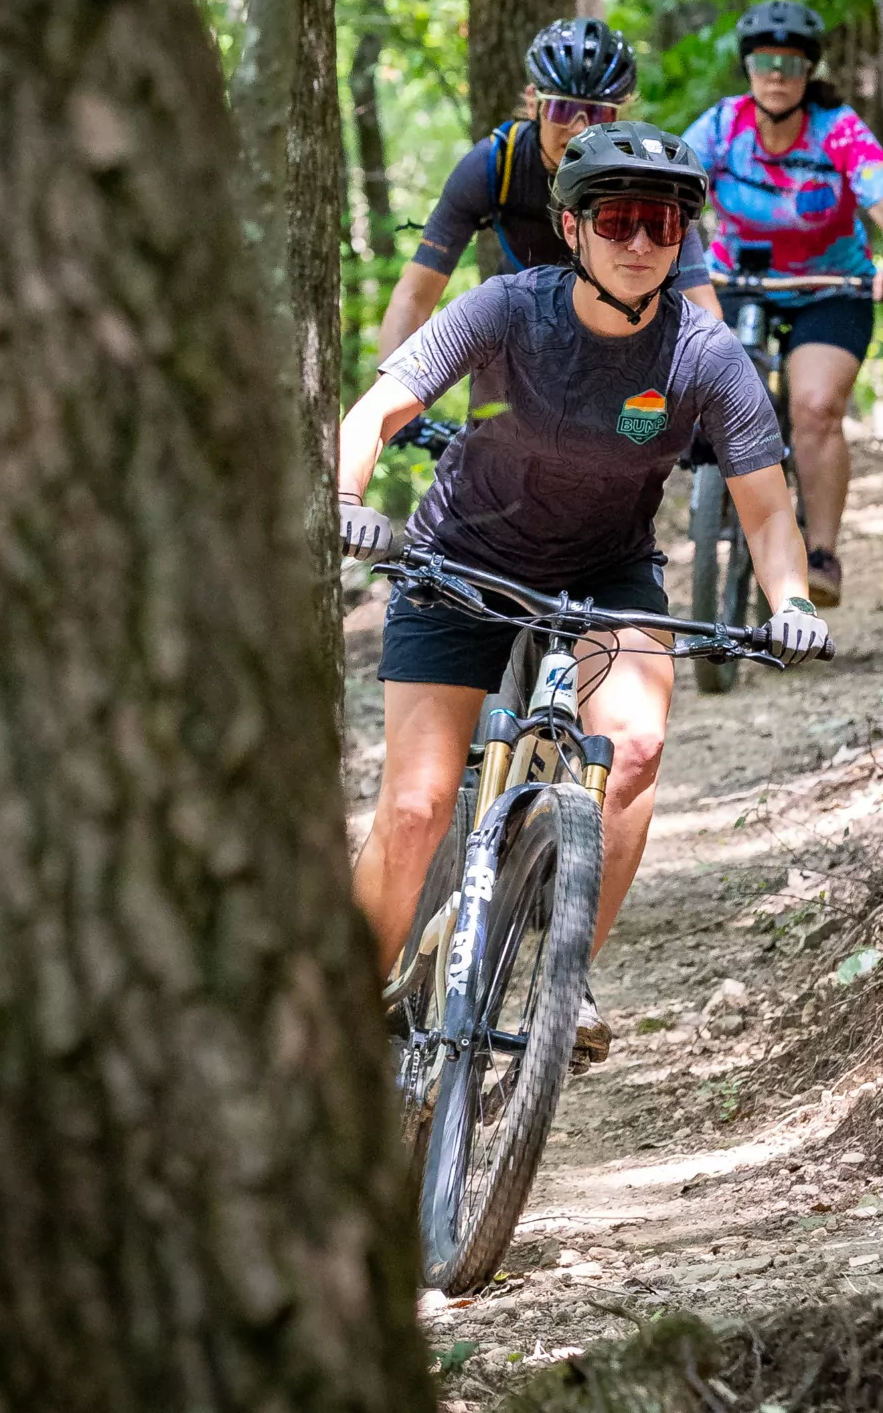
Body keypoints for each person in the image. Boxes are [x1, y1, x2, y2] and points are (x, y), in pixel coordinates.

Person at [334, 121, 831, 1067]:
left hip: (606, 570)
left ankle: (566, 977)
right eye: (616, 220)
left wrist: (792, 602)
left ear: (681, 237)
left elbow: (768, 513)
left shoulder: (705, 354)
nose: (639, 241)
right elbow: (376, 413)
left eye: (661, 223)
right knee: (416, 808)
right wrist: (348, 499)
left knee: (634, 748)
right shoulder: (506, 309)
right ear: (572, 228)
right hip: (463, 559)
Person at [682, 0, 883, 609]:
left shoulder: (837, 128)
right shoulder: (723, 125)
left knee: (814, 407)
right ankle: (711, 503)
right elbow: (671, 184)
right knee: (702, 380)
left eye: (791, 64)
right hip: (734, 280)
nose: (777, 75)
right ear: (748, 67)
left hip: (830, 288)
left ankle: (821, 552)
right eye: (765, 62)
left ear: (809, 71)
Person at [376, 17, 722, 361]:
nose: (578, 129)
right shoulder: (496, 164)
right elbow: (414, 298)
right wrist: (390, 390)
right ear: (533, 103)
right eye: (563, 108)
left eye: (597, 114)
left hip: (621, 337)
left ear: (619, 115)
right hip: (520, 334)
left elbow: (701, 307)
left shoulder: (650, 176)